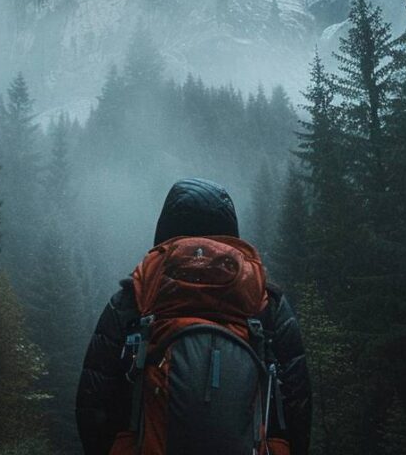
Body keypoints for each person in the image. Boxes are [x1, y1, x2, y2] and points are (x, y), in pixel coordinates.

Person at [76, 178, 312, 455]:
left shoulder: (135, 296)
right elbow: (298, 403)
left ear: (166, 228)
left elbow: (93, 401)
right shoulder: (265, 300)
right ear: (230, 231)